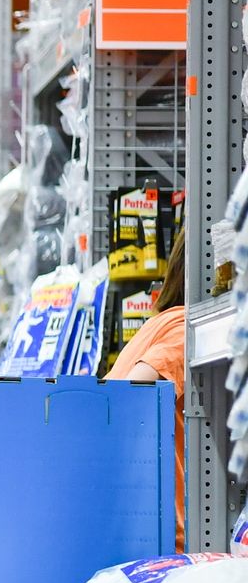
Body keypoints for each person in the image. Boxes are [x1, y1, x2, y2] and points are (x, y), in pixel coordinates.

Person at [108, 229, 187, 548]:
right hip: (171, 539)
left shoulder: (159, 323)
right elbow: (133, 386)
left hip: (136, 527)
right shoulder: (186, 328)